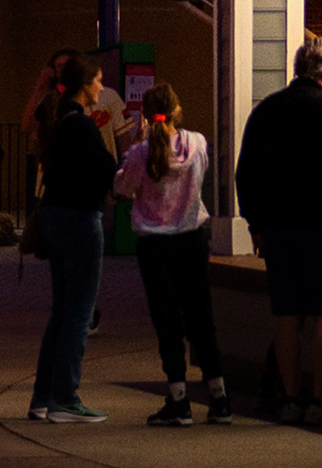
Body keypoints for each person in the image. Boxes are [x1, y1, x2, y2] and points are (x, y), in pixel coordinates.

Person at [235, 39, 322, 428]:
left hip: (277, 229)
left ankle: (289, 399)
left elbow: (245, 173)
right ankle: (320, 399)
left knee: (286, 314)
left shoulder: (267, 111)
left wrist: (255, 223)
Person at [114, 81, 229, 427]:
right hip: (192, 239)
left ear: (145, 116)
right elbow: (202, 172)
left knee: (167, 320)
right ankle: (219, 397)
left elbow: (122, 187)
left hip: (155, 245)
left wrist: (133, 148)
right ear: (178, 110)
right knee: (200, 317)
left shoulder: (140, 153)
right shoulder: (197, 143)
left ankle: (179, 400)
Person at [25, 55, 116, 425]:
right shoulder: (81, 124)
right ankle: (66, 398)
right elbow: (107, 170)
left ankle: (43, 398)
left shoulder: (62, 122)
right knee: (79, 313)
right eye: (97, 81)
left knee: (61, 313)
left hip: (54, 217)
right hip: (80, 219)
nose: (101, 87)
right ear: (84, 85)